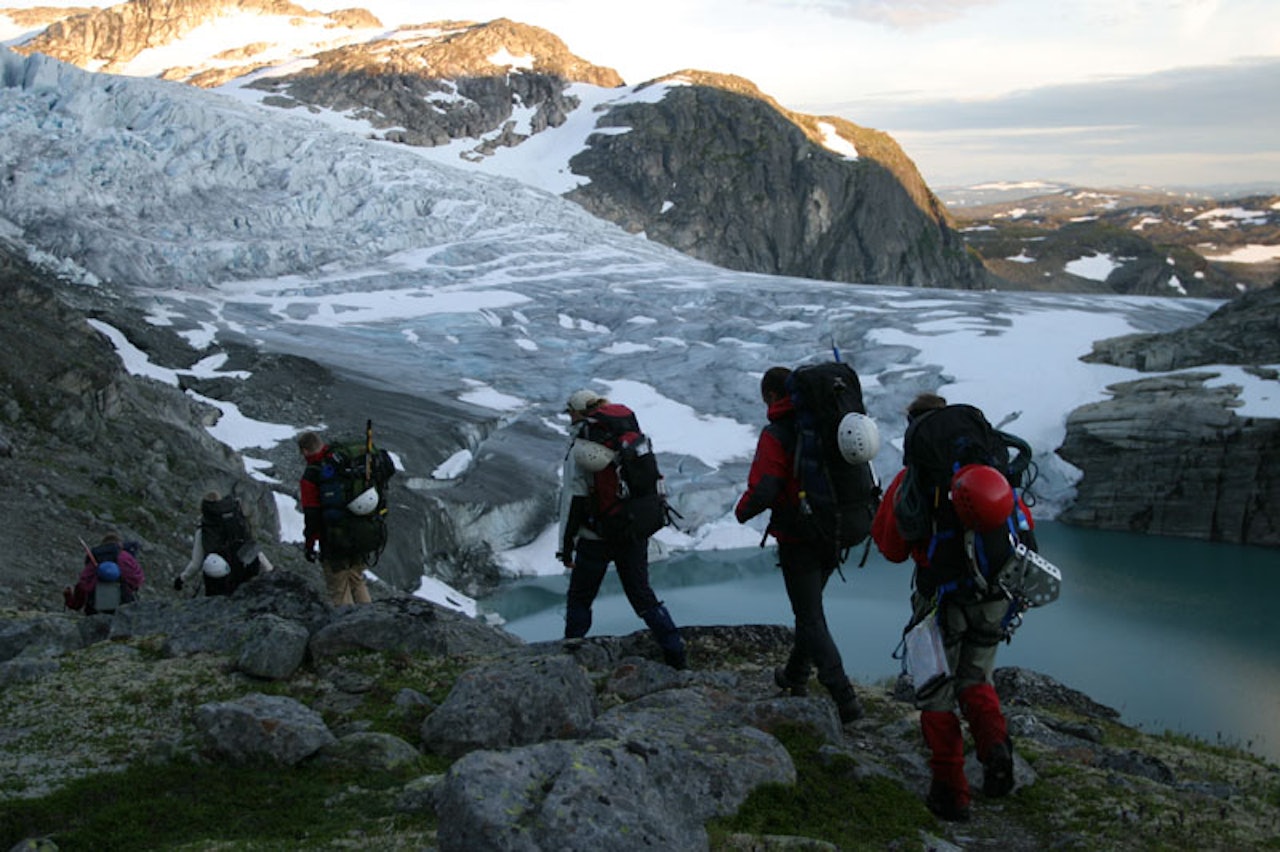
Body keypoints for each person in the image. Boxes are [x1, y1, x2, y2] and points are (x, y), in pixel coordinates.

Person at [871, 392, 1020, 823]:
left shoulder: (912, 481)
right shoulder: (991, 470)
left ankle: (951, 792)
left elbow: (892, 547)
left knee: (936, 691)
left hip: (940, 598)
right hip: (994, 593)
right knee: (976, 677)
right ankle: (995, 752)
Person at [735, 366, 864, 723]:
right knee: (812, 611)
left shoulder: (778, 432)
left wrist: (742, 511)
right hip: (835, 527)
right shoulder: (828, 424)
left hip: (800, 534)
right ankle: (796, 675)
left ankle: (844, 697)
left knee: (809, 616)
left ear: (773, 396)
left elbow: (766, 486)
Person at [557, 389, 687, 669]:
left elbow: (573, 499)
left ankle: (570, 657)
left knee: (581, 596)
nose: (568, 417)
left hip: (596, 536)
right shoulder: (630, 438)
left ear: (577, 412)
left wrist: (565, 548)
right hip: (632, 532)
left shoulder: (584, 446)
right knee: (643, 596)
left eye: (569, 412)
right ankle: (676, 652)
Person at [297, 430, 372, 606]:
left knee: (338, 588)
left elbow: (312, 514)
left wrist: (309, 544)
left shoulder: (312, 475)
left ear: (305, 451)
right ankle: (371, 619)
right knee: (357, 579)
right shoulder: (344, 462)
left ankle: (348, 629)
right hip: (359, 533)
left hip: (333, 540)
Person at [173, 491, 274, 597]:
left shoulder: (206, 528)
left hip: (221, 577)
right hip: (245, 571)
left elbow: (196, 564)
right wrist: (271, 570)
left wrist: (181, 579)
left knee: (211, 564)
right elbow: (253, 549)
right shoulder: (236, 518)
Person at [63, 530, 145, 614]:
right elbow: (138, 579)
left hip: (95, 610)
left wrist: (69, 597)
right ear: (119, 544)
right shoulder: (126, 557)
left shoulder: (94, 560)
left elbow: (82, 587)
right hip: (124, 609)